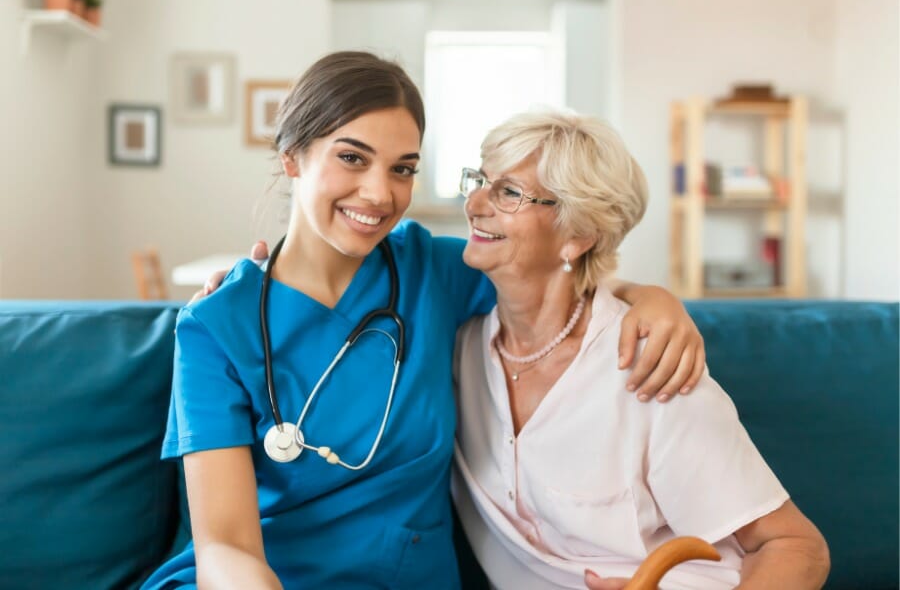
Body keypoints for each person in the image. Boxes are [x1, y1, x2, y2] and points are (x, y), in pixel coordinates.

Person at [142, 51, 705, 590]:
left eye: (403, 168)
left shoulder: (430, 270)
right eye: (352, 158)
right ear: (292, 155)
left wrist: (652, 297)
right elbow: (226, 548)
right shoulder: (215, 328)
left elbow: (552, 273)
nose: (379, 193)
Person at [451, 109, 830, 590]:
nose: (475, 203)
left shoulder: (648, 365)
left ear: (577, 236)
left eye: (508, 192)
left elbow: (797, 547)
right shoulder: (459, 350)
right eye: (480, 180)